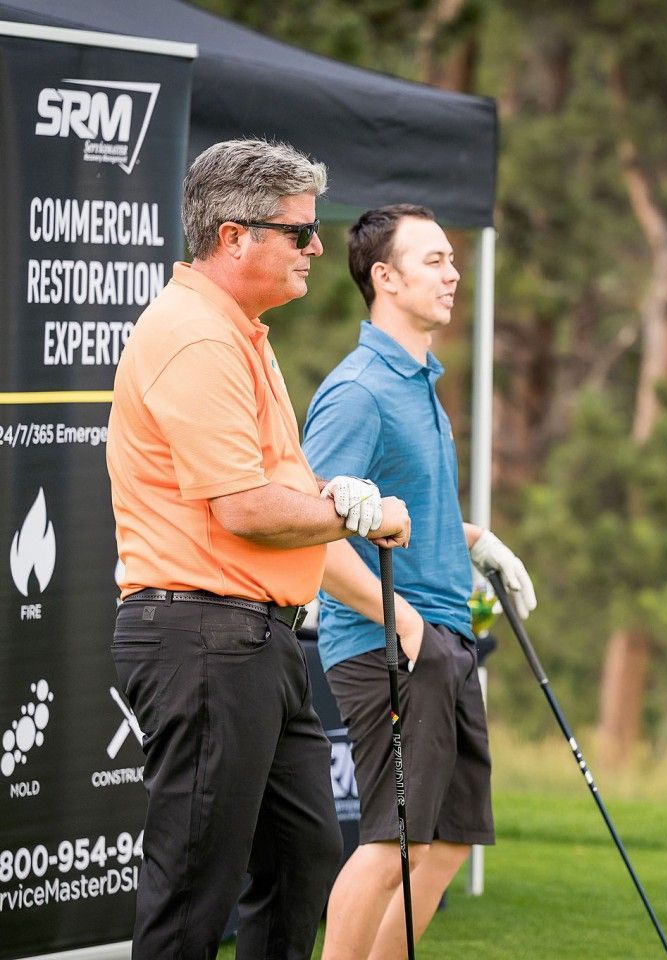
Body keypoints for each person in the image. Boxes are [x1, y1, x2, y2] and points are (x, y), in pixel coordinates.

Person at [107, 139, 411, 959]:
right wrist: (354, 514)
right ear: (235, 237)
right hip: (203, 636)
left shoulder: (239, 332)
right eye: (299, 231)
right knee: (193, 890)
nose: (316, 247)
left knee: (301, 855)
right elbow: (244, 508)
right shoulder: (198, 337)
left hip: (251, 637)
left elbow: (278, 493)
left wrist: (338, 503)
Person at [302, 204, 537, 960]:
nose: (453, 273)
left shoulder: (420, 385)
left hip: (443, 636)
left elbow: (399, 515)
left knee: (447, 842)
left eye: (452, 259)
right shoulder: (359, 390)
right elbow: (311, 538)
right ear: (386, 277)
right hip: (389, 642)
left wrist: (474, 540)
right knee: (392, 843)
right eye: (433, 260)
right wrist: (404, 625)